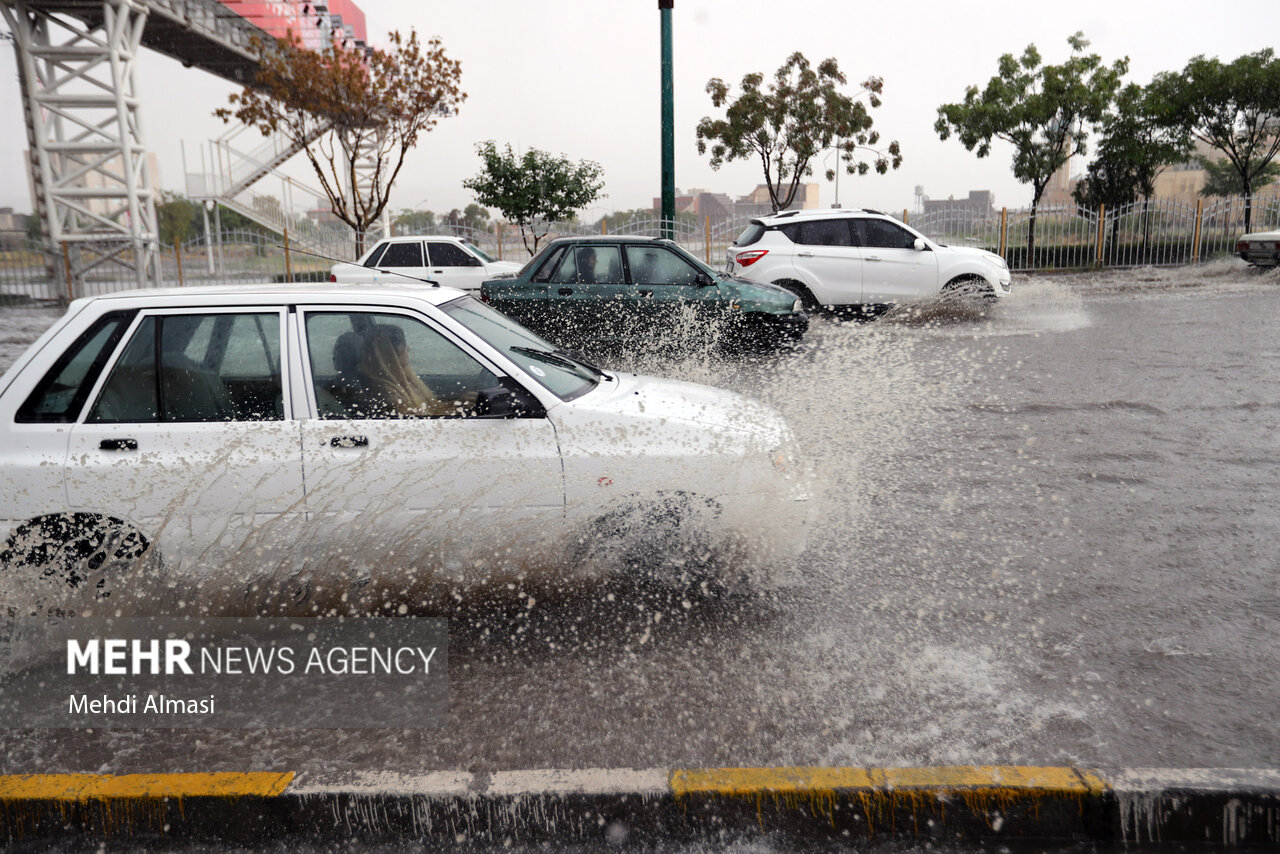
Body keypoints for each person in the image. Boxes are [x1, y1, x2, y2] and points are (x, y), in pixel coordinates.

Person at [357, 325, 454, 417]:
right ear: (391, 353)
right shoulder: (386, 392)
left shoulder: (403, 378)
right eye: (404, 346)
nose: (408, 349)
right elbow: (421, 420)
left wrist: (462, 402)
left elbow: (433, 409)